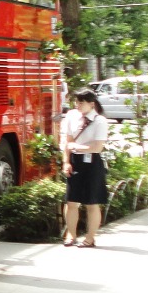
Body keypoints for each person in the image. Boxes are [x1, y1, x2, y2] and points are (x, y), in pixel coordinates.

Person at [60, 89, 109, 247]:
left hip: (92, 163)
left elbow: (97, 147)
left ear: (91, 104)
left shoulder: (99, 121)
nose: (77, 105)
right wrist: (66, 162)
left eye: (81, 102)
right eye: (76, 102)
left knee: (91, 203)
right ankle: (71, 235)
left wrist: (78, 147)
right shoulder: (72, 116)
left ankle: (90, 237)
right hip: (75, 161)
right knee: (71, 201)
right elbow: (67, 141)